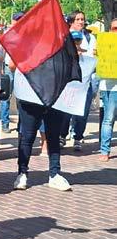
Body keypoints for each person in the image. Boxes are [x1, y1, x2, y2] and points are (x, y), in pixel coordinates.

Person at [8, 58, 73, 192]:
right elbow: (12, 65)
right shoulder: (26, 44)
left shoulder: (60, 45)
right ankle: (22, 173)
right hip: (31, 94)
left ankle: (54, 174)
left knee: (52, 136)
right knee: (28, 136)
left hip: (53, 92)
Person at [67, 11, 97, 151]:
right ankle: (62, 135)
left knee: (83, 111)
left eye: (82, 19)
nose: (80, 22)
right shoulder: (64, 36)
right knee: (65, 110)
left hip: (85, 80)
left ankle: (78, 137)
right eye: (77, 19)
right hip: (68, 80)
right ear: (71, 22)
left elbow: (94, 57)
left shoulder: (90, 38)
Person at [0, 12, 23, 132]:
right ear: (13, 21)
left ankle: (21, 125)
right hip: (8, 68)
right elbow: (1, 52)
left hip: (22, 69)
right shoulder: (7, 34)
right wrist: (1, 67)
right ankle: (5, 123)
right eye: (17, 20)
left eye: (21, 19)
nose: (19, 22)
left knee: (21, 98)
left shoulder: (27, 34)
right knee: (6, 97)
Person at [98, 19, 117, 161]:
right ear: (110, 30)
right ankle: (105, 151)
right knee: (108, 119)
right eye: (115, 28)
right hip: (109, 87)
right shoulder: (104, 44)